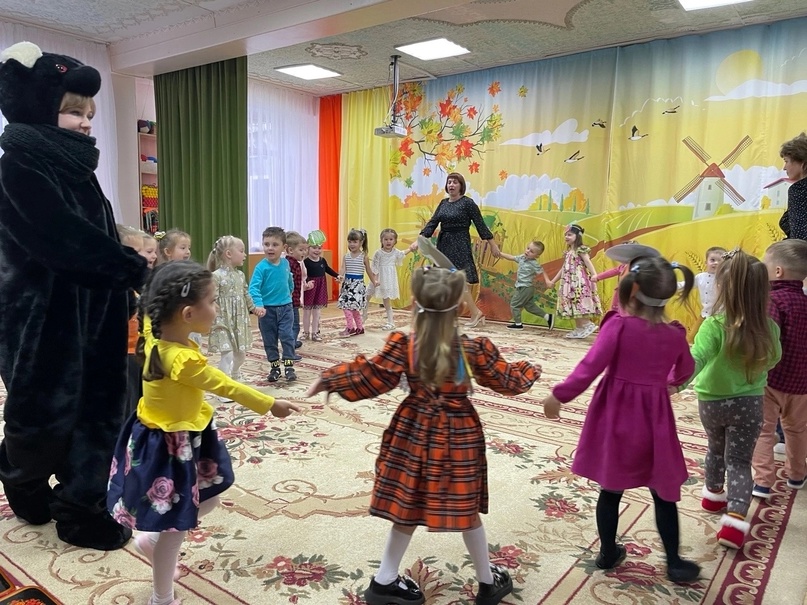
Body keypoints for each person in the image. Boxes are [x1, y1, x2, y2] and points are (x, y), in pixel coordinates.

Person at [306, 266, 541, 605]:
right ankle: (488, 583)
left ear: (415, 304)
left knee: (408, 505)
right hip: (459, 436)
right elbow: (507, 380)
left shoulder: (404, 345)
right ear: (460, 309)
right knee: (465, 508)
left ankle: (383, 581)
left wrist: (331, 379)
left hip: (413, 431)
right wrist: (531, 369)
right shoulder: (474, 349)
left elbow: (372, 375)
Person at [0, 41, 148, 549]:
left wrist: (124, 295)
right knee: (42, 421)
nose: (85, 123)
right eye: (73, 112)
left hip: (98, 315)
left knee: (102, 415)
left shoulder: (78, 168)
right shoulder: (18, 167)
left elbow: (98, 233)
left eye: (89, 114)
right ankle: (21, 479)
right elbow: (60, 236)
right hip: (41, 322)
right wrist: (130, 268)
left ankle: (83, 509)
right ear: (40, 109)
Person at [107, 261, 300, 605]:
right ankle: (161, 597)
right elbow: (225, 385)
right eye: (212, 301)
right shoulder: (182, 360)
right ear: (187, 314)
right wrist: (270, 404)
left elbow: (150, 311)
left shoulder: (155, 334)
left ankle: (150, 541)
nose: (217, 308)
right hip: (171, 447)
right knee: (177, 525)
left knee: (208, 500)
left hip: (177, 437)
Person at [541, 256, 701, 583]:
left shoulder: (618, 326)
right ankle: (674, 561)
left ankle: (607, 553)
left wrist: (558, 396)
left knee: (611, 488)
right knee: (662, 490)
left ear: (632, 291)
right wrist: (669, 383)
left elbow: (590, 366)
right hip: (655, 420)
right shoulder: (674, 335)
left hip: (616, 416)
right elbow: (686, 369)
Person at [684, 249, 780, 549]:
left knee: (715, 449)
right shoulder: (769, 327)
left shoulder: (713, 325)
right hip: (750, 404)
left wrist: (675, 384)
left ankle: (713, 496)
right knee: (739, 460)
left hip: (711, 402)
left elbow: (697, 358)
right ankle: (735, 523)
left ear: (722, 287)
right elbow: (774, 358)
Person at [752, 240, 807, 497]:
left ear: (777, 271)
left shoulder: (772, 300)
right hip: (802, 383)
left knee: (763, 430)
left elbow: (766, 340)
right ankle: (797, 475)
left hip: (771, 379)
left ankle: (763, 482)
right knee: (797, 429)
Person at [409, 172, 500, 328]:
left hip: (460, 244)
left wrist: (492, 244)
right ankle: (452, 315)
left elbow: (480, 224)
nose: (451, 185)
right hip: (444, 245)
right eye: (449, 182)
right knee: (444, 281)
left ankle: (474, 312)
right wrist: (419, 240)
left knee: (459, 280)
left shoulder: (467, 203)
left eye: (455, 182)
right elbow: (432, 223)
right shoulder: (443, 203)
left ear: (461, 186)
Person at [207, 235, 256, 388]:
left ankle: (235, 373)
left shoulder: (240, 275)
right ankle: (223, 386)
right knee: (227, 355)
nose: (245, 255)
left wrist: (254, 308)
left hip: (239, 321)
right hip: (222, 321)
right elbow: (211, 298)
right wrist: (212, 313)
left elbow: (246, 293)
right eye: (241, 251)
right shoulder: (216, 276)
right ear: (229, 254)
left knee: (241, 355)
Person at [249, 226, 297, 382]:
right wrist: (258, 305)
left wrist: (290, 291)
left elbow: (289, 280)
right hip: (267, 311)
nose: (270, 248)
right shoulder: (261, 267)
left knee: (287, 336)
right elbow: (253, 288)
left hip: (286, 307)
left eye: (275, 245)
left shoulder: (285, 263)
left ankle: (289, 366)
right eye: (266, 244)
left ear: (284, 247)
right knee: (269, 340)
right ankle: (275, 367)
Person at [118, 225, 152, 417]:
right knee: (128, 404)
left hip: (141, 350)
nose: (141, 258)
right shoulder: (118, 285)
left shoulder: (140, 283)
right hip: (125, 353)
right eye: (136, 251)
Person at [547, 224, 602, 338]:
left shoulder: (580, 249)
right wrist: (553, 280)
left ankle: (587, 324)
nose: (566, 237)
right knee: (572, 303)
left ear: (577, 236)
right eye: (565, 235)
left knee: (578, 302)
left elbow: (587, 262)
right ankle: (579, 328)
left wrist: (594, 274)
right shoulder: (568, 252)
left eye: (570, 235)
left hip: (578, 281)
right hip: (569, 282)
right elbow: (563, 268)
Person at [495, 240, 554, 330]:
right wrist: (500, 253)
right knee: (530, 307)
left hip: (525, 288)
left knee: (514, 305)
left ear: (537, 256)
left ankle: (518, 324)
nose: (528, 251)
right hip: (524, 287)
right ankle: (547, 317)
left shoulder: (534, 263)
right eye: (528, 248)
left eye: (531, 251)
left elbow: (542, 271)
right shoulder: (522, 257)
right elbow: (512, 257)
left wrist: (547, 281)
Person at [594, 241, 660, 314]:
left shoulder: (639, 266)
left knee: (629, 309)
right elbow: (613, 271)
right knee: (617, 310)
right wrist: (598, 277)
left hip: (632, 292)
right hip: (621, 292)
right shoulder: (622, 266)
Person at [369, 228, 413, 330]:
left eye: (391, 239)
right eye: (386, 239)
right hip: (378, 278)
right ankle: (363, 316)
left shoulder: (395, 252)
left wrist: (411, 248)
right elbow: (374, 267)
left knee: (386, 301)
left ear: (395, 241)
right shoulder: (378, 253)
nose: (388, 241)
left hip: (388, 279)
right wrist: (375, 280)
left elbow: (402, 253)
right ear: (381, 240)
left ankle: (391, 322)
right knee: (367, 295)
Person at [303, 230, 342, 341]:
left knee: (317, 312)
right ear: (308, 248)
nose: (317, 250)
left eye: (319, 248)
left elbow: (328, 269)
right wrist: (305, 284)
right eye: (314, 247)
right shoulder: (305, 262)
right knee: (307, 312)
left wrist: (337, 275)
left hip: (320, 289)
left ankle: (315, 332)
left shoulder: (322, 261)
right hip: (310, 289)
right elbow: (302, 275)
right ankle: (306, 332)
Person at [337, 228, 377, 337]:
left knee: (349, 307)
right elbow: (343, 268)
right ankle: (360, 328)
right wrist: (340, 276)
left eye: (355, 242)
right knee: (348, 306)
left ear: (361, 242)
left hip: (357, 286)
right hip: (347, 285)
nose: (352, 244)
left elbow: (369, 271)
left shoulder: (364, 256)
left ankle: (350, 328)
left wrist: (374, 281)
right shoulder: (346, 256)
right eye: (350, 241)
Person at [285, 231, 312, 355]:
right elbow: (290, 283)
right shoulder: (293, 265)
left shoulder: (292, 263)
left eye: (305, 250)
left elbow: (297, 282)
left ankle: (292, 342)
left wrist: (304, 286)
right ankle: (290, 348)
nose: (304, 253)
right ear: (290, 250)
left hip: (291, 299)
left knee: (290, 324)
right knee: (294, 325)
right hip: (291, 301)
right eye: (301, 250)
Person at [778, 132, 807, 241]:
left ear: (803, 164)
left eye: (786, 161)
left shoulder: (799, 190)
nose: (784, 168)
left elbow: (799, 238)